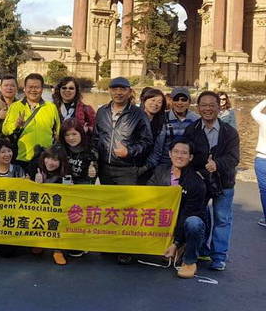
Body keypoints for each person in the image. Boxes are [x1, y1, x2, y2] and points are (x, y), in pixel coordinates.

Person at [92, 77, 152, 265]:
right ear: (109, 90)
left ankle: (126, 249)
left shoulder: (138, 114)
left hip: (127, 168)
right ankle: (110, 244)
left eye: (122, 89)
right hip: (105, 167)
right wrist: (94, 160)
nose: (118, 93)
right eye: (115, 89)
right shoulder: (102, 112)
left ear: (129, 92)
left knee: (127, 210)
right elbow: (96, 138)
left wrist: (130, 151)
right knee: (108, 208)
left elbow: (147, 141)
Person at [184, 91, 240, 271]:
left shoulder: (229, 132)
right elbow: (187, 155)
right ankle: (201, 250)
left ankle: (219, 257)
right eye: (204, 105)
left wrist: (217, 164)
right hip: (200, 182)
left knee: (222, 219)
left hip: (224, 181)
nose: (207, 109)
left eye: (211, 105)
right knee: (198, 216)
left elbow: (234, 158)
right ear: (198, 107)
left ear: (219, 107)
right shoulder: (191, 130)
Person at [148, 138, 208, 279]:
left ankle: (189, 261)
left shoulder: (196, 182)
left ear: (190, 157)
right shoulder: (160, 171)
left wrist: (176, 243)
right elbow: (148, 194)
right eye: (176, 152)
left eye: (184, 153)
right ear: (170, 154)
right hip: (163, 219)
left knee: (194, 223)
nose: (179, 156)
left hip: (184, 221)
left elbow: (187, 213)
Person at [2, 73, 61, 173]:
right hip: (21, 159)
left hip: (45, 160)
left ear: (42, 89)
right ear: (24, 89)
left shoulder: (51, 107)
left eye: (37, 87)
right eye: (30, 87)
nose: (33, 90)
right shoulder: (15, 106)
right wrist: (16, 125)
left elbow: (57, 132)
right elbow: (5, 130)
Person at [31, 145, 71, 265]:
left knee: (58, 222)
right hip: (39, 206)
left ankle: (58, 250)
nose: (50, 162)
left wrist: (70, 188)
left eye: (55, 160)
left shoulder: (66, 173)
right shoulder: (35, 167)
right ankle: (39, 242)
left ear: (61, 162)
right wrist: (34, 183)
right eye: (48, 158)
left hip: (57, 208)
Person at [147, 87, 199, 170]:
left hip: (188, 166)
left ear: (189, 102)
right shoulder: (163, 118)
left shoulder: (196, 120)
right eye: (176, 99)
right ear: (171, 101)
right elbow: (158, 148)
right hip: (165, 165)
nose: (179, 103)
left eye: (183, 100)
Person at [59, 118, 97, 185]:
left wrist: (94, 170)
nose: (71, 138)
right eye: (67, 135)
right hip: (62, 186)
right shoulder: (59, 149)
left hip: (83, 187)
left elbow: (98, 167)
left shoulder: (91, 150)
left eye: (74, 134)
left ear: (81, 133)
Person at [250, 99, 266, 227]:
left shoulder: (264, 119)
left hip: (262, 158)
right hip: (261, 159)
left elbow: (254, 111)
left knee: (264, 191)